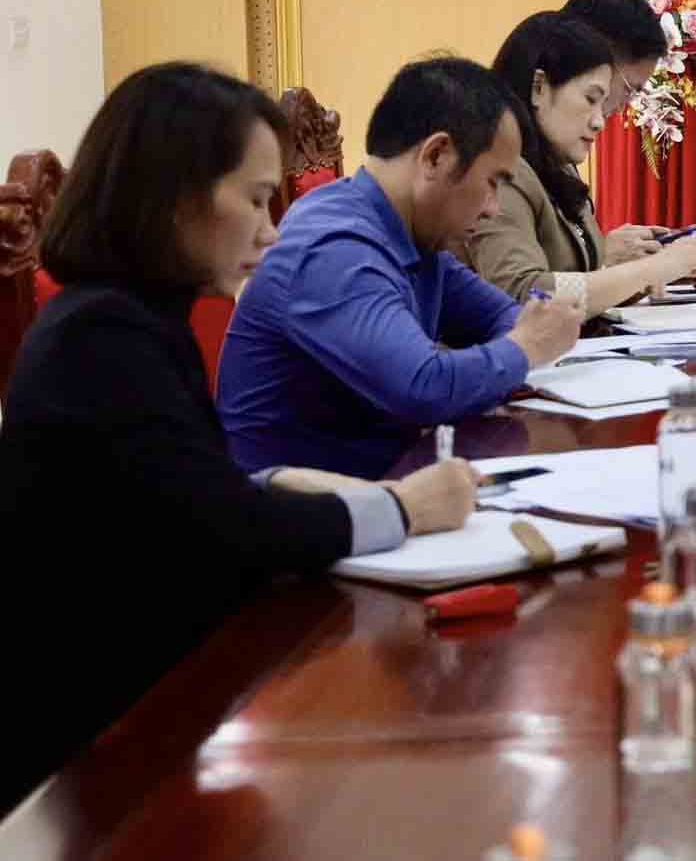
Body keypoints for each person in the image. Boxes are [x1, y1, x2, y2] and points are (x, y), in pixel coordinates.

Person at [0, 64, 479, 810]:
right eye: (256, 200)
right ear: (175, 197)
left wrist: (277, 486)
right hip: (103, 747)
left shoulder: (132, 318)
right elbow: (224, 534)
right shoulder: (101, 338)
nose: (272, 229)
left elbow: (172, 497)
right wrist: (405, 508)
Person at [216, 58, 585, 478]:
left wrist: (525, 337)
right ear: (436, 156)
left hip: (386, 489)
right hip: (304, 523)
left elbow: (507, 318)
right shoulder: (336, 247)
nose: (493, 208)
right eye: (493, 182)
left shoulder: (415, 237)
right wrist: (525, 347)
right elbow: (425, 388)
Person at [463, 11, 696, 308]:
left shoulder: (558, 165)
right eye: (590, 99)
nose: (600, 122)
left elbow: (577, 281)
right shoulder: (504, 172)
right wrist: (650, 270)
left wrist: (657, 270)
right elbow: (527, 293)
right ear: (539, 87)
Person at [562, 0, 682, 266]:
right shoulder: (512, 155)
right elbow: (526, 291)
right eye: (630, 89)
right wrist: (601, 257)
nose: (601, 123)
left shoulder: (560, 149)